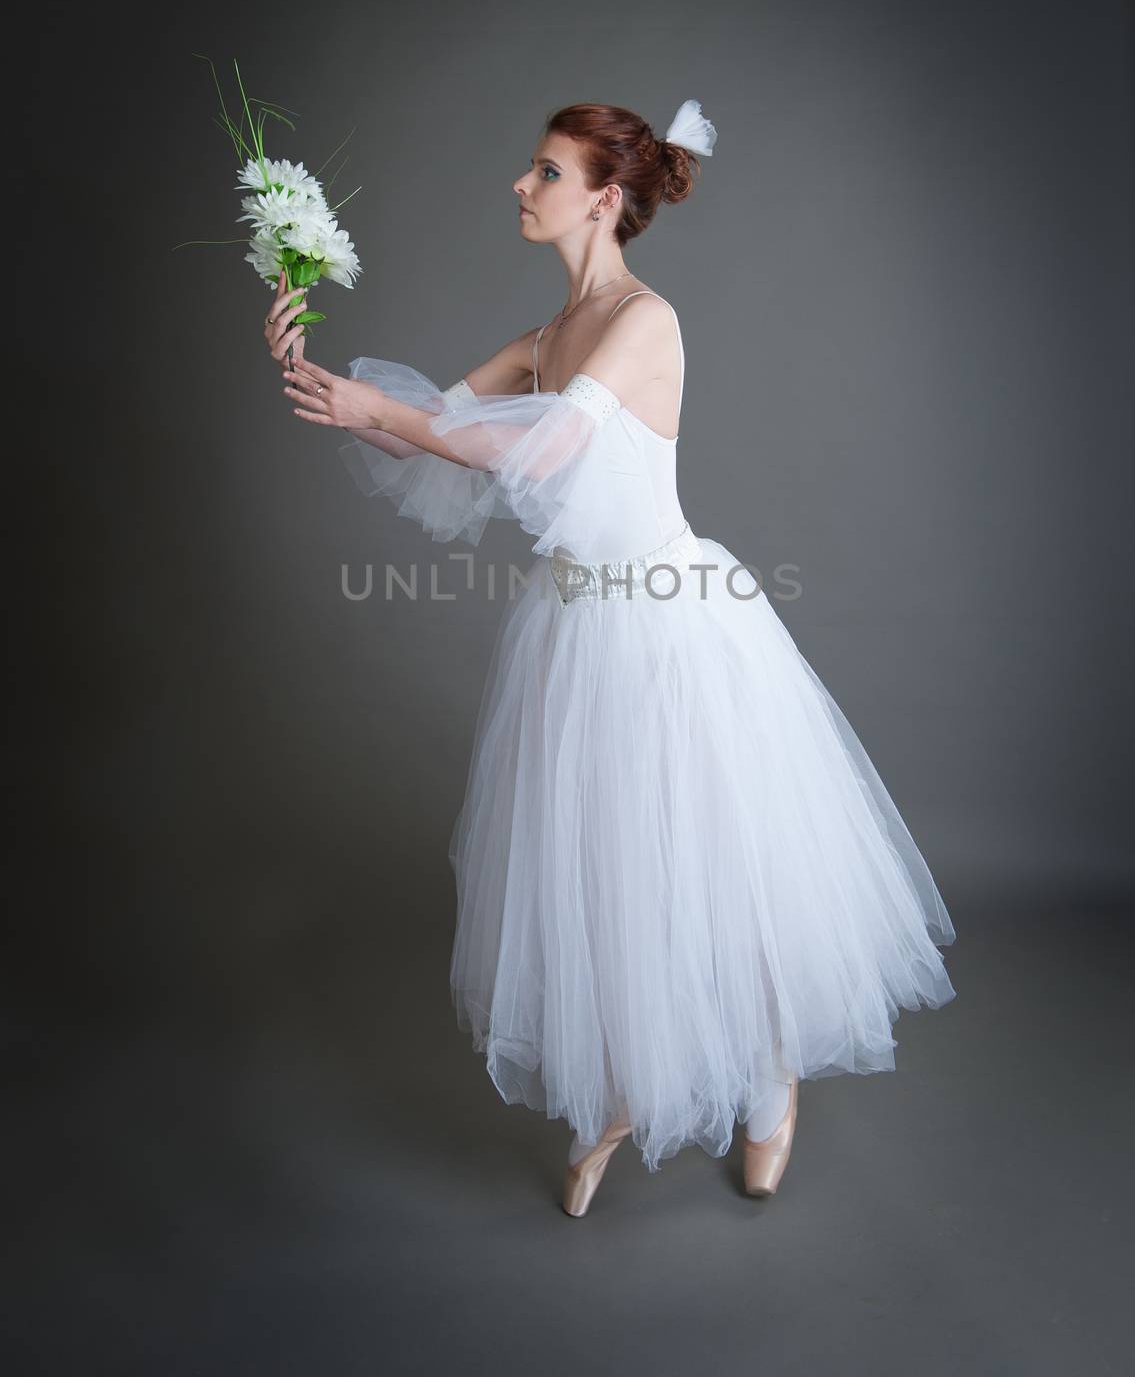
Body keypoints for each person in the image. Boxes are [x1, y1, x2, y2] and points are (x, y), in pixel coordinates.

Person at [263, 98, 957, 1217]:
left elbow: (552, 449)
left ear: (602, 196)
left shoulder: (645, 320)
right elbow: (440, 424)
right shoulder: (542, 340)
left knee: (716, 865)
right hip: (576, 632)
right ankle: (627, 1087)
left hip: (674, 627)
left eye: (542, 170)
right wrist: (334, 391)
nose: (518, 185)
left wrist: (379, 409)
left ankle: (768, 1081)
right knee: (605, 868)